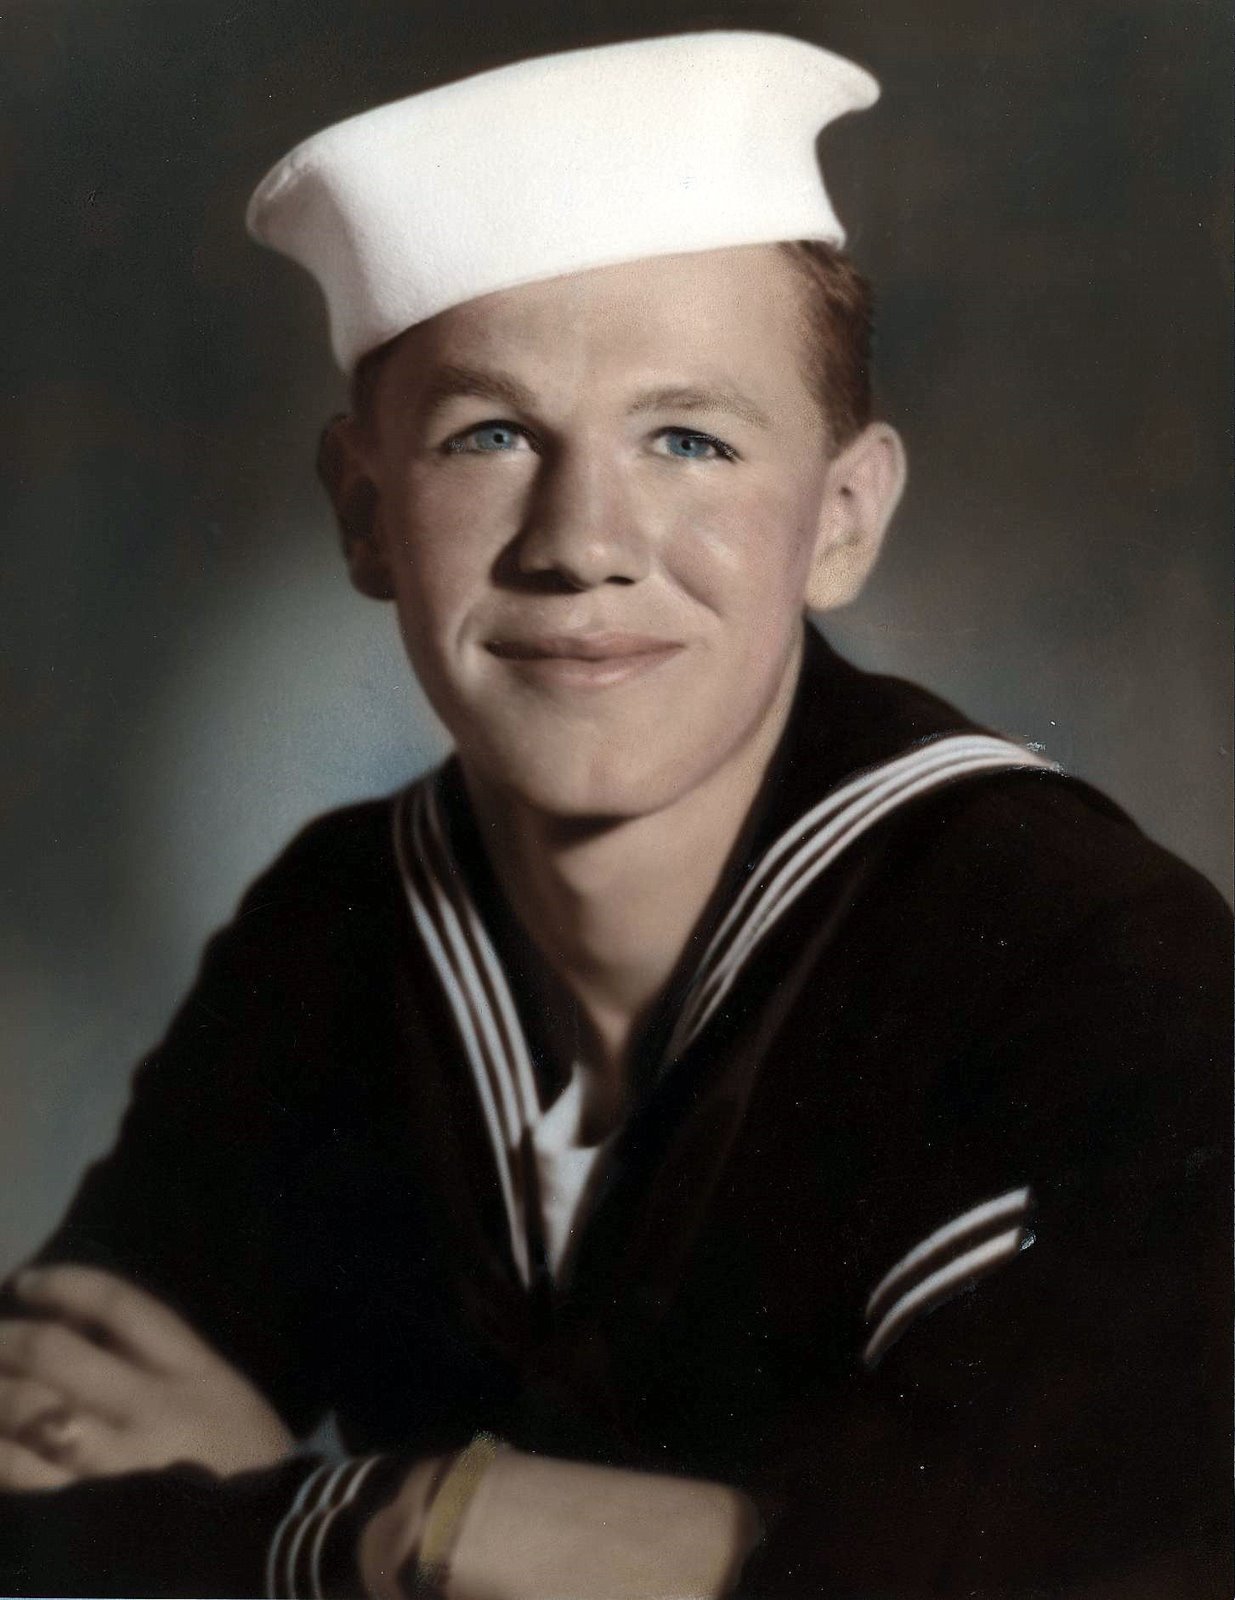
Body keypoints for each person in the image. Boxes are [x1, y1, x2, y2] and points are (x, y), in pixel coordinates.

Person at [0, 29, 1229, 1600]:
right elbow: (39, 1479)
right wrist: (399, 1523)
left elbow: (1071, 1572)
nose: (582, 542)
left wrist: (310, 1519)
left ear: (843, 518)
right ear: (366, 513)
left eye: (690, 441)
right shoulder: (337, 923)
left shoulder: (1086, 956)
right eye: (491, 436)